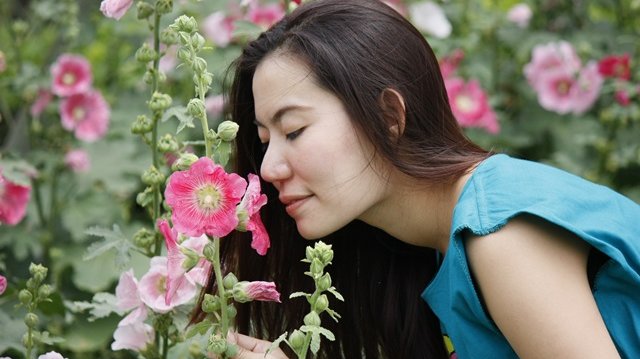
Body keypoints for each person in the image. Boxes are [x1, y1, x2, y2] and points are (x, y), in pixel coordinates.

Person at [196, 0, 640, 358]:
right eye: (265, 140)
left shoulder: (499, 234)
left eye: (293, 131)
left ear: (389, 116)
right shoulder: (429, 249)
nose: (269, 168)